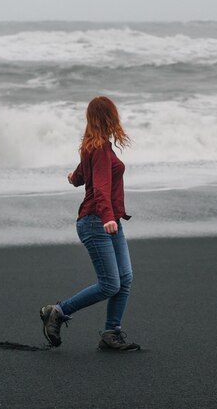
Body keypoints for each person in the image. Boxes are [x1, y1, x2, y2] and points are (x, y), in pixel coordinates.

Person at [40, 96, 140, 352]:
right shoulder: (99, 148)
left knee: (125, 278)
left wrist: (74, 178)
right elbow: (101, 188)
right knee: (110, 283)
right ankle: (58, 311)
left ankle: (111, 332)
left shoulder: (93, 146)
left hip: (107, 220)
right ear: (109, 116)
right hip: (97, 221)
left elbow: (84, 176)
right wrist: (107, 216)